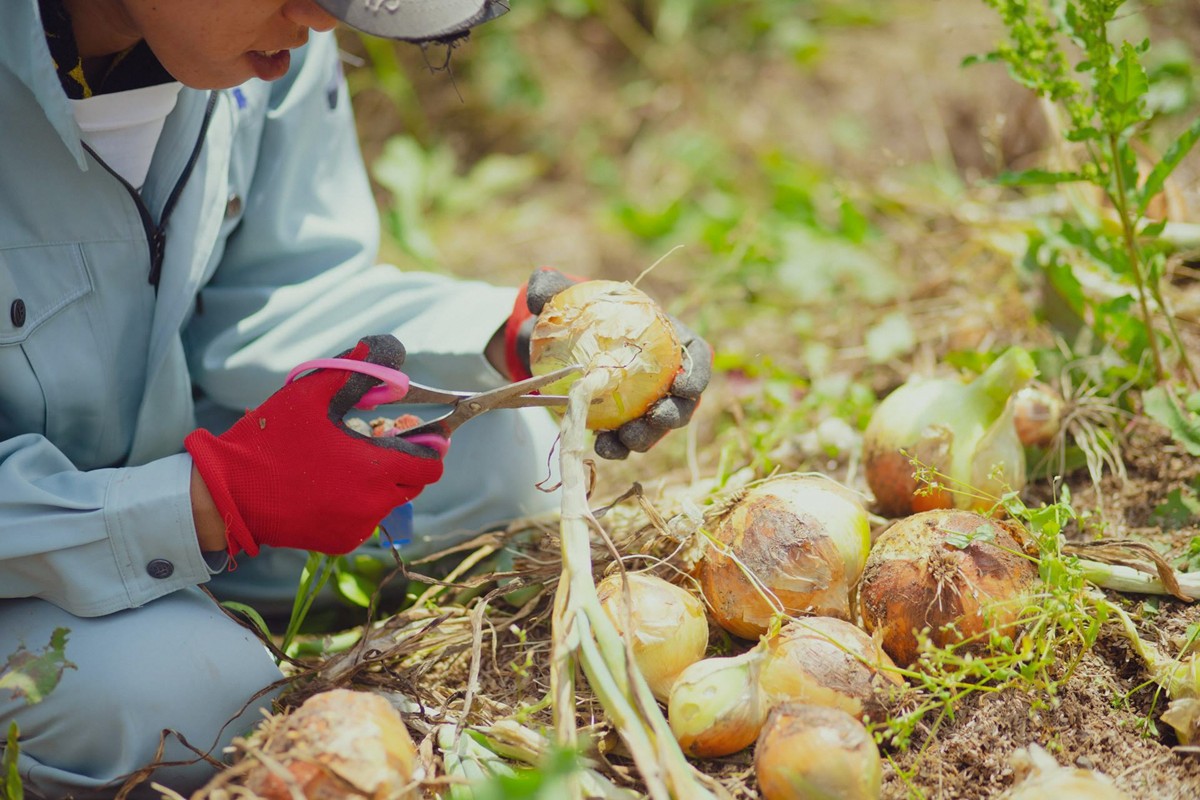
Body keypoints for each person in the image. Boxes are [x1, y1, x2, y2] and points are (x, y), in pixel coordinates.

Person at [0, 0, 712, 796]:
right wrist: (206, 500)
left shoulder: (259, 46)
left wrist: (507, 340)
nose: (317, 19)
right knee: (186, 701)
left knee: (498, 468)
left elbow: (281, 290)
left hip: (154, 457)